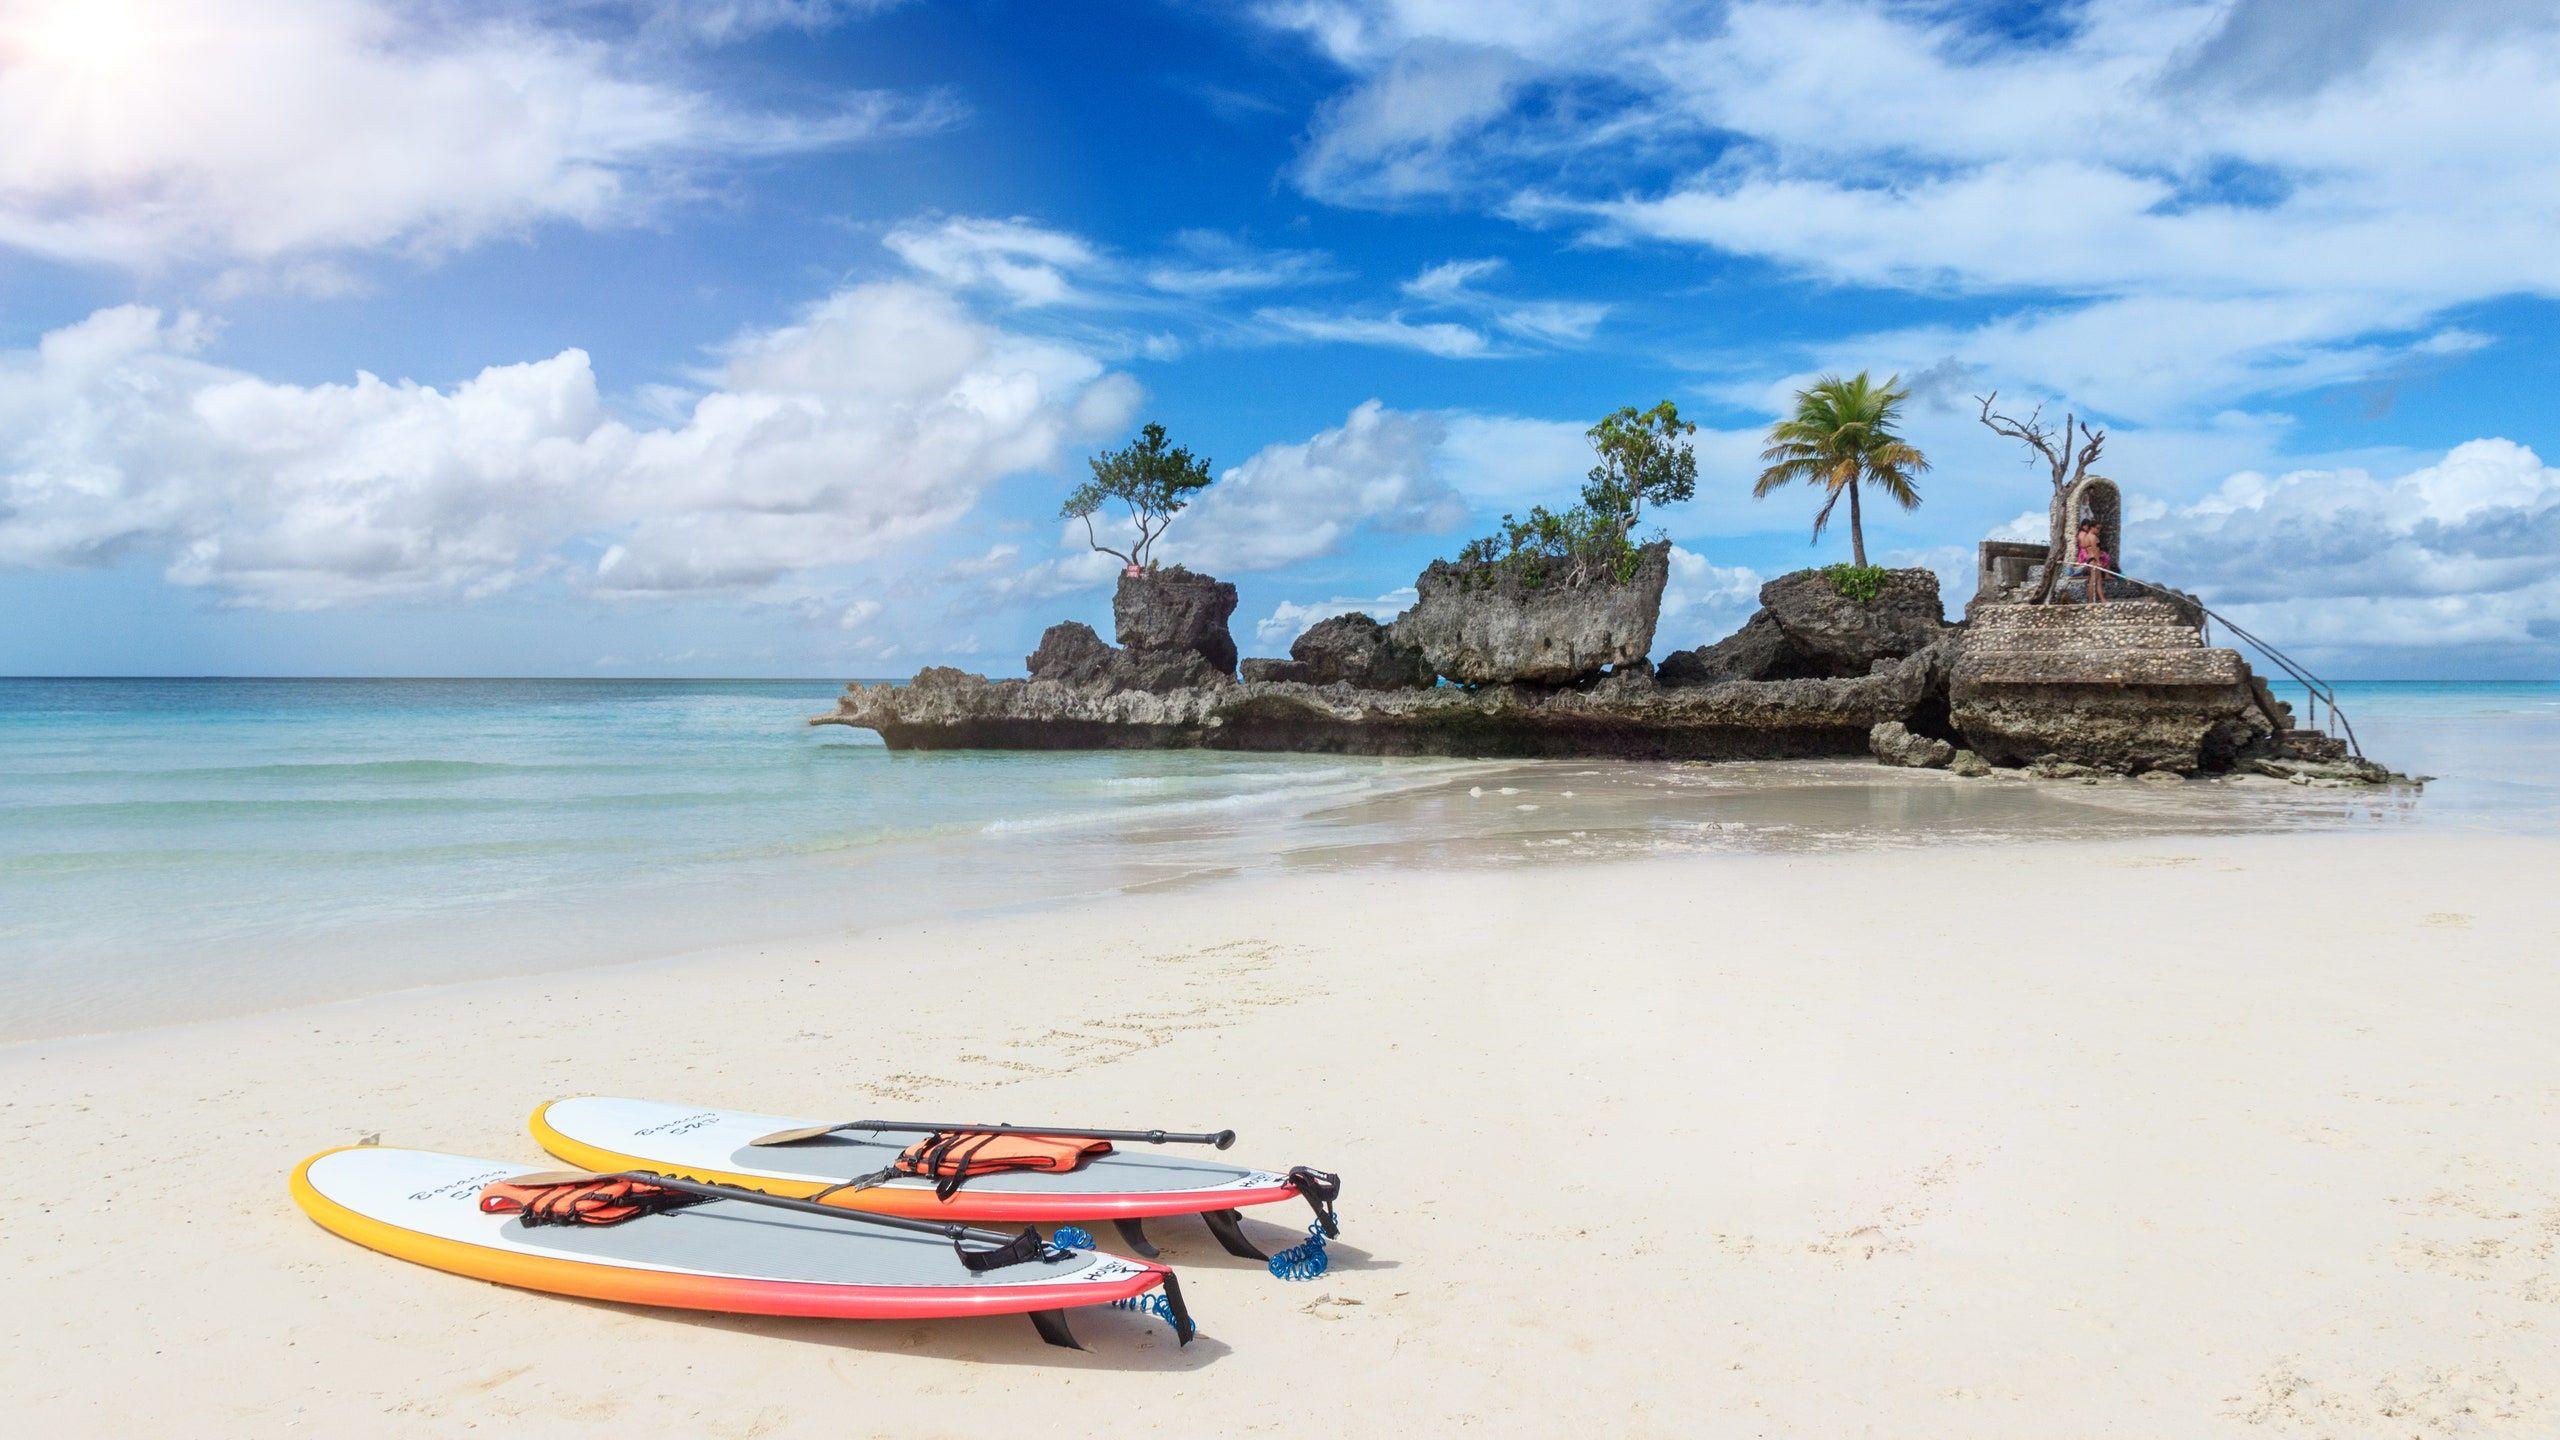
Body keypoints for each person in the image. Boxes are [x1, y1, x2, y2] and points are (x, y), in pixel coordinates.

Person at [2066, 519, 2113, 602]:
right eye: (2097, 528)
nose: (2099, 530)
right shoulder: (2093, 537)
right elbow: (2095, 550)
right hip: (2094, 560)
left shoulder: (2087, 536)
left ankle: (2101, 599)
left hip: (2091, 559)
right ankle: (2093, 600)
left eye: (2100, 529)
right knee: (2094, 581)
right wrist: (2098, 561)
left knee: (2097, 580)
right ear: (2092, 527)